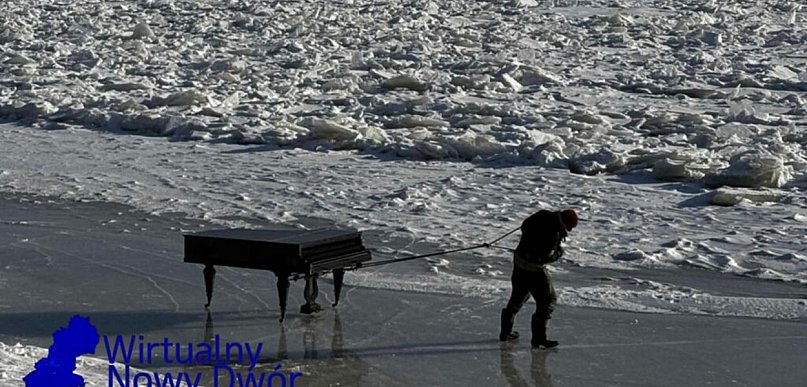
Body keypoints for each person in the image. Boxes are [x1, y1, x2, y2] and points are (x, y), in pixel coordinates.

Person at [499, 208, 578, 348]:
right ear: (565, 223)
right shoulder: (553, 234)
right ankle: (539, 339)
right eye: (570, 227)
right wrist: (559, 253)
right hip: (533, 269)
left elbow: (525, 225)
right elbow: (546, 257)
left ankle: (505, 332)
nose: (570, 230)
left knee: (518, 296)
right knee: (548, 301)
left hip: (519, 261)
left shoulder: (543, 214)